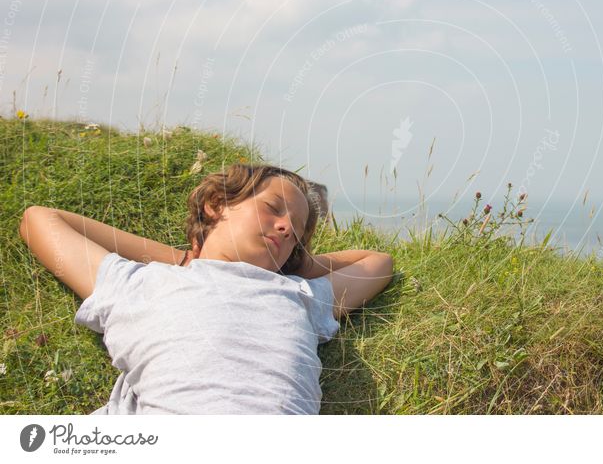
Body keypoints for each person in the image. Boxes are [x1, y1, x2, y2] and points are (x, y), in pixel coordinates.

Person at [18, 163, 394, 414]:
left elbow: (378, 264)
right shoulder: (144, 283)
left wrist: (295, 261)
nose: (286, 227)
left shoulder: (299, 296)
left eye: (295, 228)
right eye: (274, 209)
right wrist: (186, 259)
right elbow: (40, 219)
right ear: (217, 204)